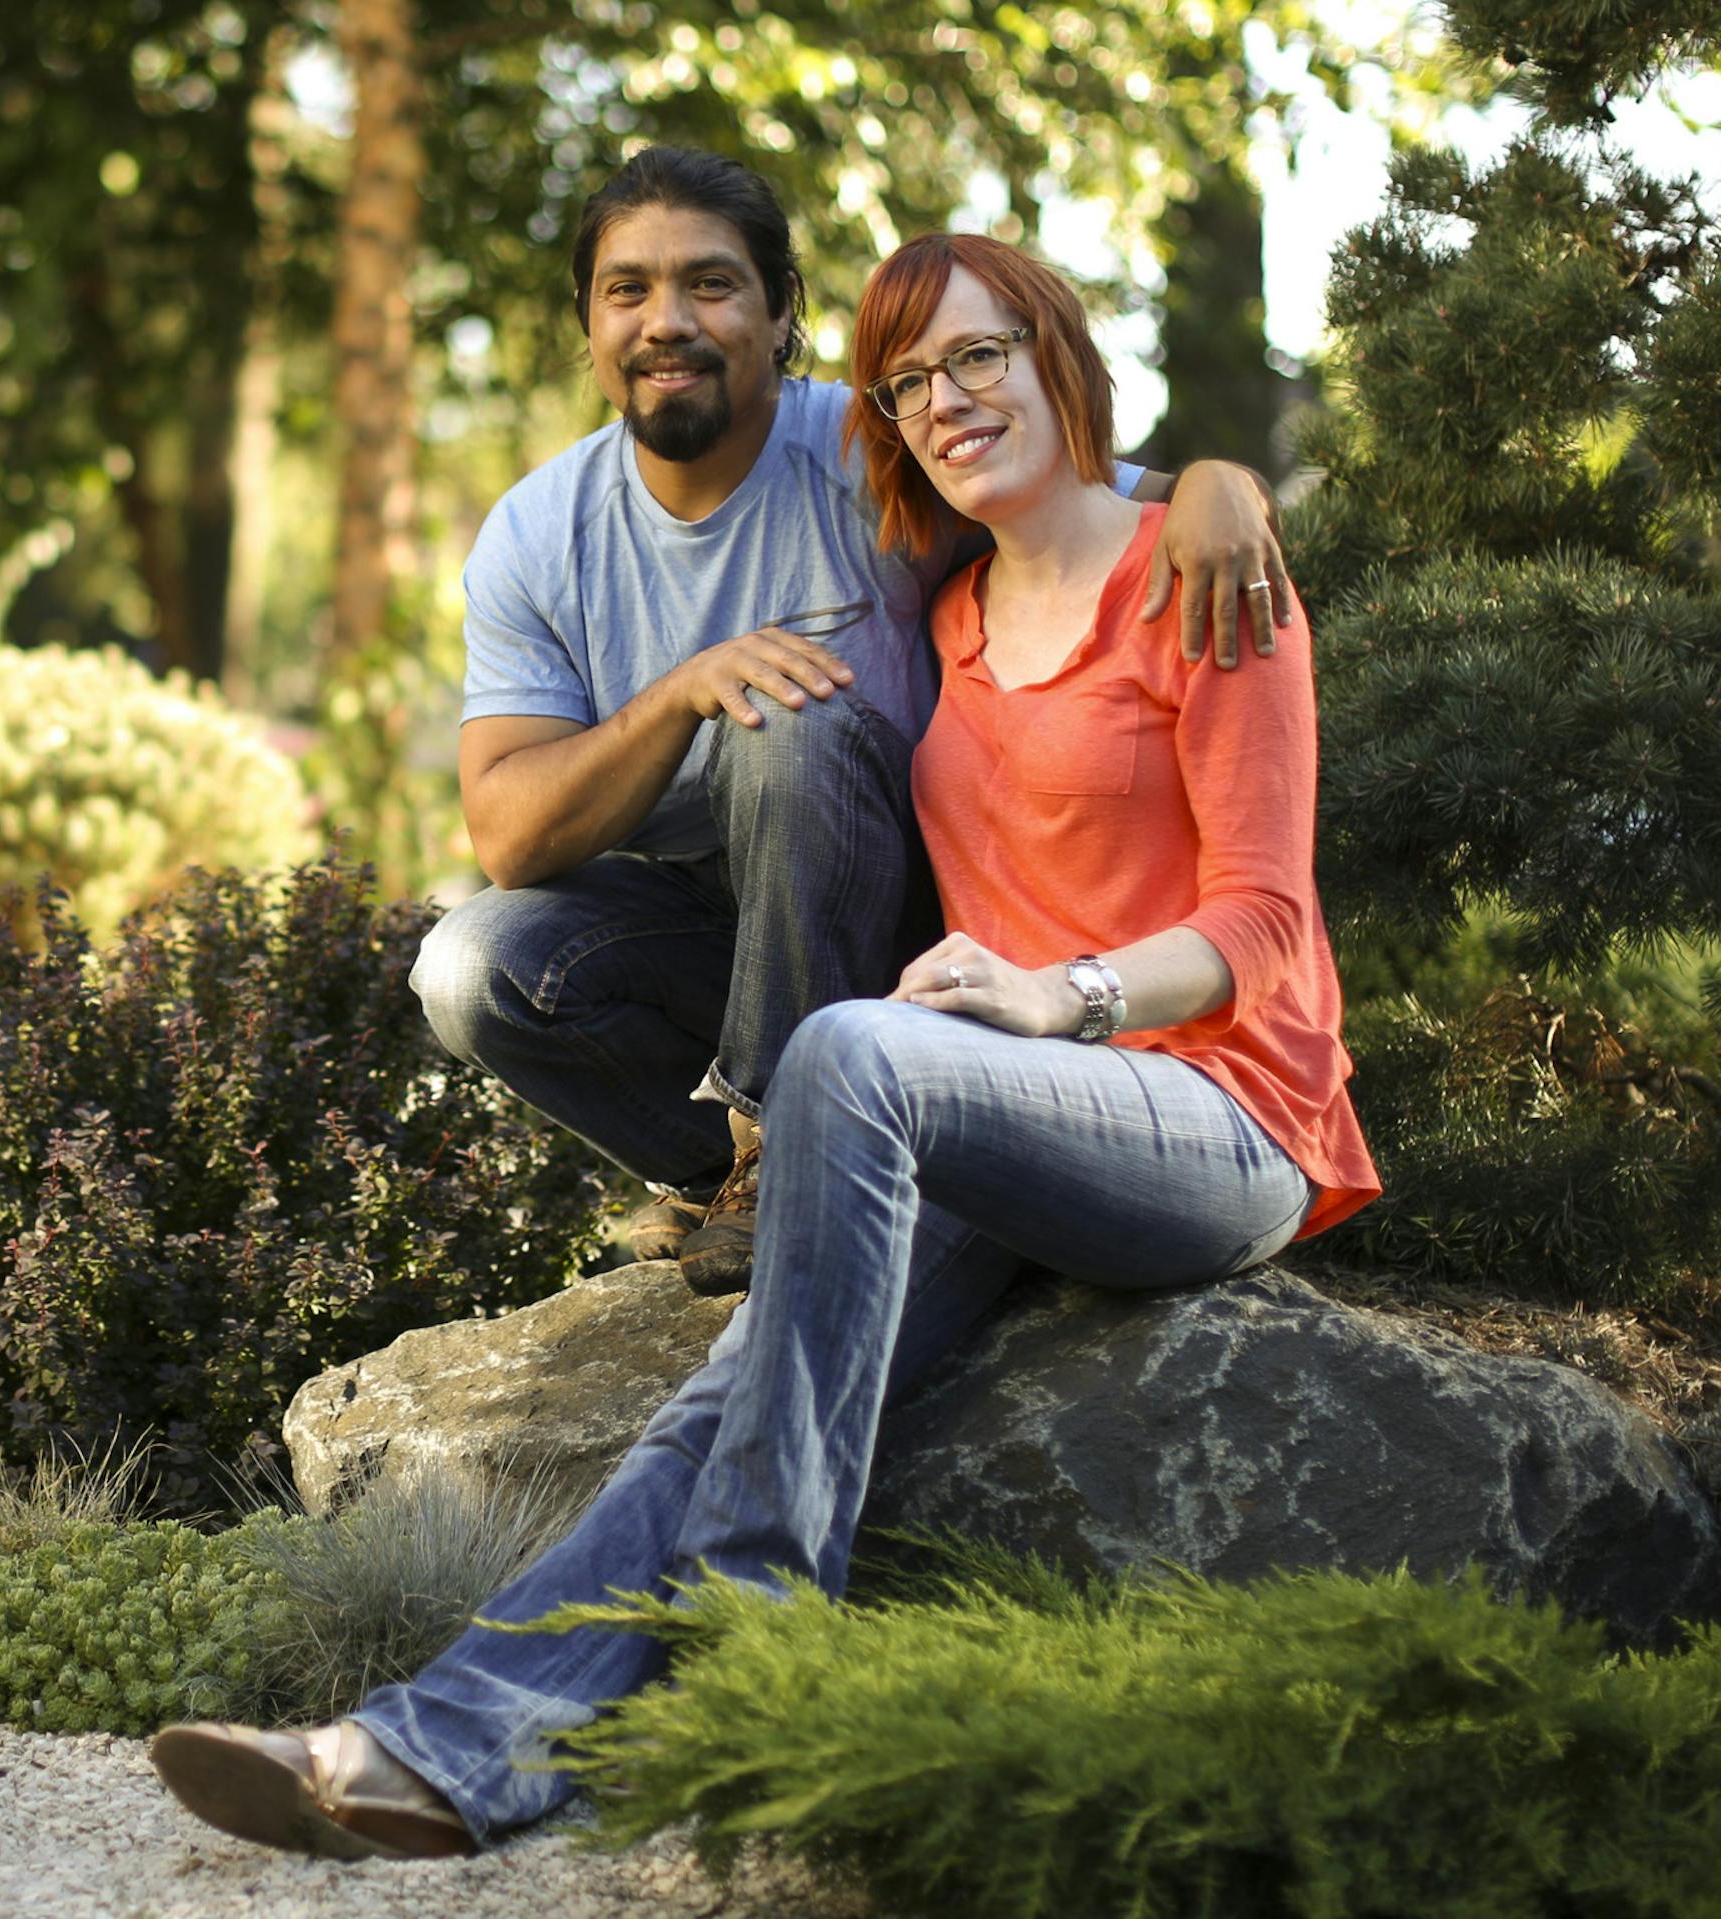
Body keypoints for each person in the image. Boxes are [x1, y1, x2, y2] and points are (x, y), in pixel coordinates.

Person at [149, 231, 1380, 1860]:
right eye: (908, 381)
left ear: (1059, 356)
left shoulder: (1201, 576)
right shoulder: (944, 601)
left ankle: (759, 1625)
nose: (947, 400)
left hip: (1220, 1116)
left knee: (847, 1057)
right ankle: (418, 1755)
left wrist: (1058, 992)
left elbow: (1268, 922)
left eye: (980, 355)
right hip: (1012, 1127)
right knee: (733, 1394)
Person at [406, 146, 1295, 1293]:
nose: (666, 320)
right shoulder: (538, 535)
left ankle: (787, 1151)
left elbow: (1111, 503)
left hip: (906, 922)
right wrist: (681, 692)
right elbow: (510, 836)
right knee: (472, 965)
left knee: (790, 720)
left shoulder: (875, 446)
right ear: (589, 322)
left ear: (782, 312)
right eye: (628, 289)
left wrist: (1225, 482)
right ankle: (740, 1174)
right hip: (705, 930)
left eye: (711, 283)